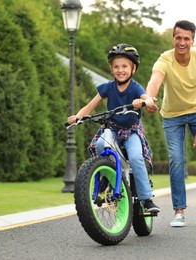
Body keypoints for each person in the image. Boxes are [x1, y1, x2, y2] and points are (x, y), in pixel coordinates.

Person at [67, 43, 160, 213]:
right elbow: (90, 106)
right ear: (111, 69)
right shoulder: (108, 87)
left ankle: (146, 199)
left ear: (133, 69)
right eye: (116, 66)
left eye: (124, 66)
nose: (120, 70)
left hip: (131, 130)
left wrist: (145, 102)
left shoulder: (134, 87)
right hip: (112, 129)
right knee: (101, 147)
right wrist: (77, 116)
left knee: (136, 158)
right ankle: (105, 178)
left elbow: (148, 99)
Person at [146, 20, 196, 226]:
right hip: (172, 115)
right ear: (173, 38)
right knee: (177, 159)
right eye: (178, 38)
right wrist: (149, 98)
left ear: (193, 40)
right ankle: (179, 212)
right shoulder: (165, 59)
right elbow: (155, 81)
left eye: (187, 38)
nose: (182, 42)